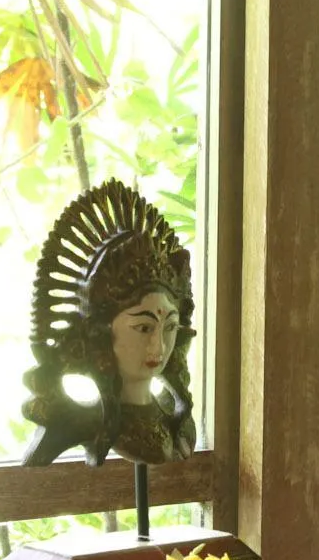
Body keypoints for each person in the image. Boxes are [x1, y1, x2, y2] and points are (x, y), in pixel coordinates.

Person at [21, 180, 197, 467]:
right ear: (101, 333)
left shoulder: (176, 422)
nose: (159, 347)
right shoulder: (85, 423)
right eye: (143, 328)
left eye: (169, 328)